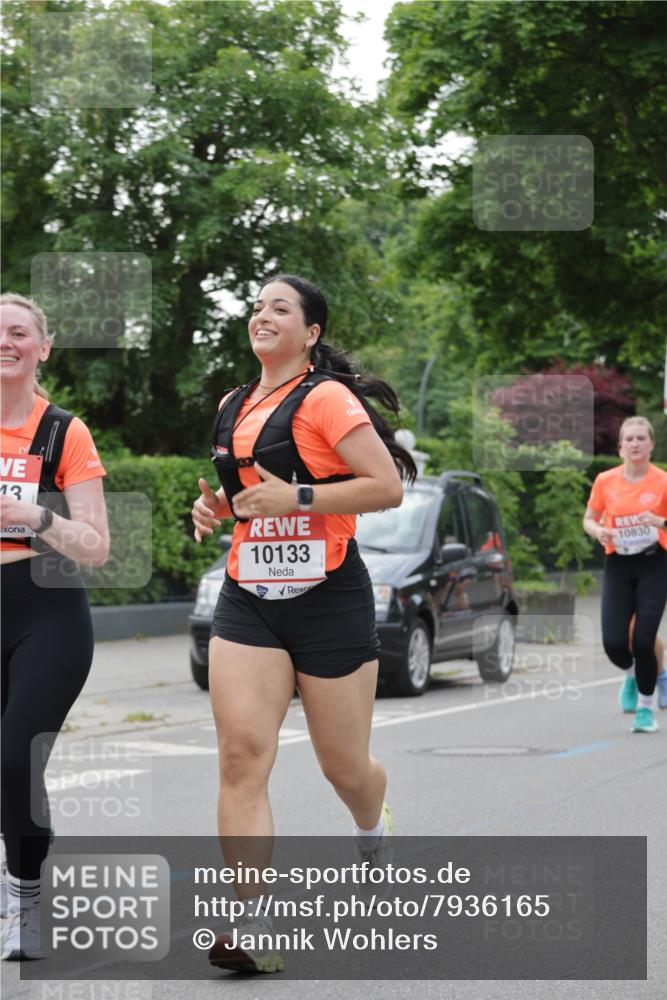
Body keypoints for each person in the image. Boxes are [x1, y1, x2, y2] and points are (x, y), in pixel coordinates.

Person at [191, 274, 416, 973]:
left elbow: (385, 487)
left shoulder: (324, 397)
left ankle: (371, 827)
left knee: (343, 768)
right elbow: (247, 500)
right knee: (240, 758)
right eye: (257, 306)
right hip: (249, 596)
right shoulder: (233, 403)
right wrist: (217, 512)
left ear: (310, 333)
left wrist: (301, 495)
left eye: (279, 308)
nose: (262, 315)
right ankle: (250, 925)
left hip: (328, 595)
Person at [0, 293, 109, 959]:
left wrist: (35, 515)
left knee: (14, 756)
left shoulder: (62, 432)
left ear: (42, 348)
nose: (4, 342)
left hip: (47, 607)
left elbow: (96, 544)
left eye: (18, 332)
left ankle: (25, 899)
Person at [583, 416, 667, 733]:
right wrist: (598, 531)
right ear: (619, 448)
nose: (635, 444)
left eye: (641, 438)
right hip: (618, 563)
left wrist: (659, 522)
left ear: (651, 445)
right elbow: (589, 518)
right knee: (615, 644)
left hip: (653, 564)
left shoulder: (662, 481)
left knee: (644, 641)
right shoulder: (605, 481)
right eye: (629, 439)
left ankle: (646, 709)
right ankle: (636, 674)